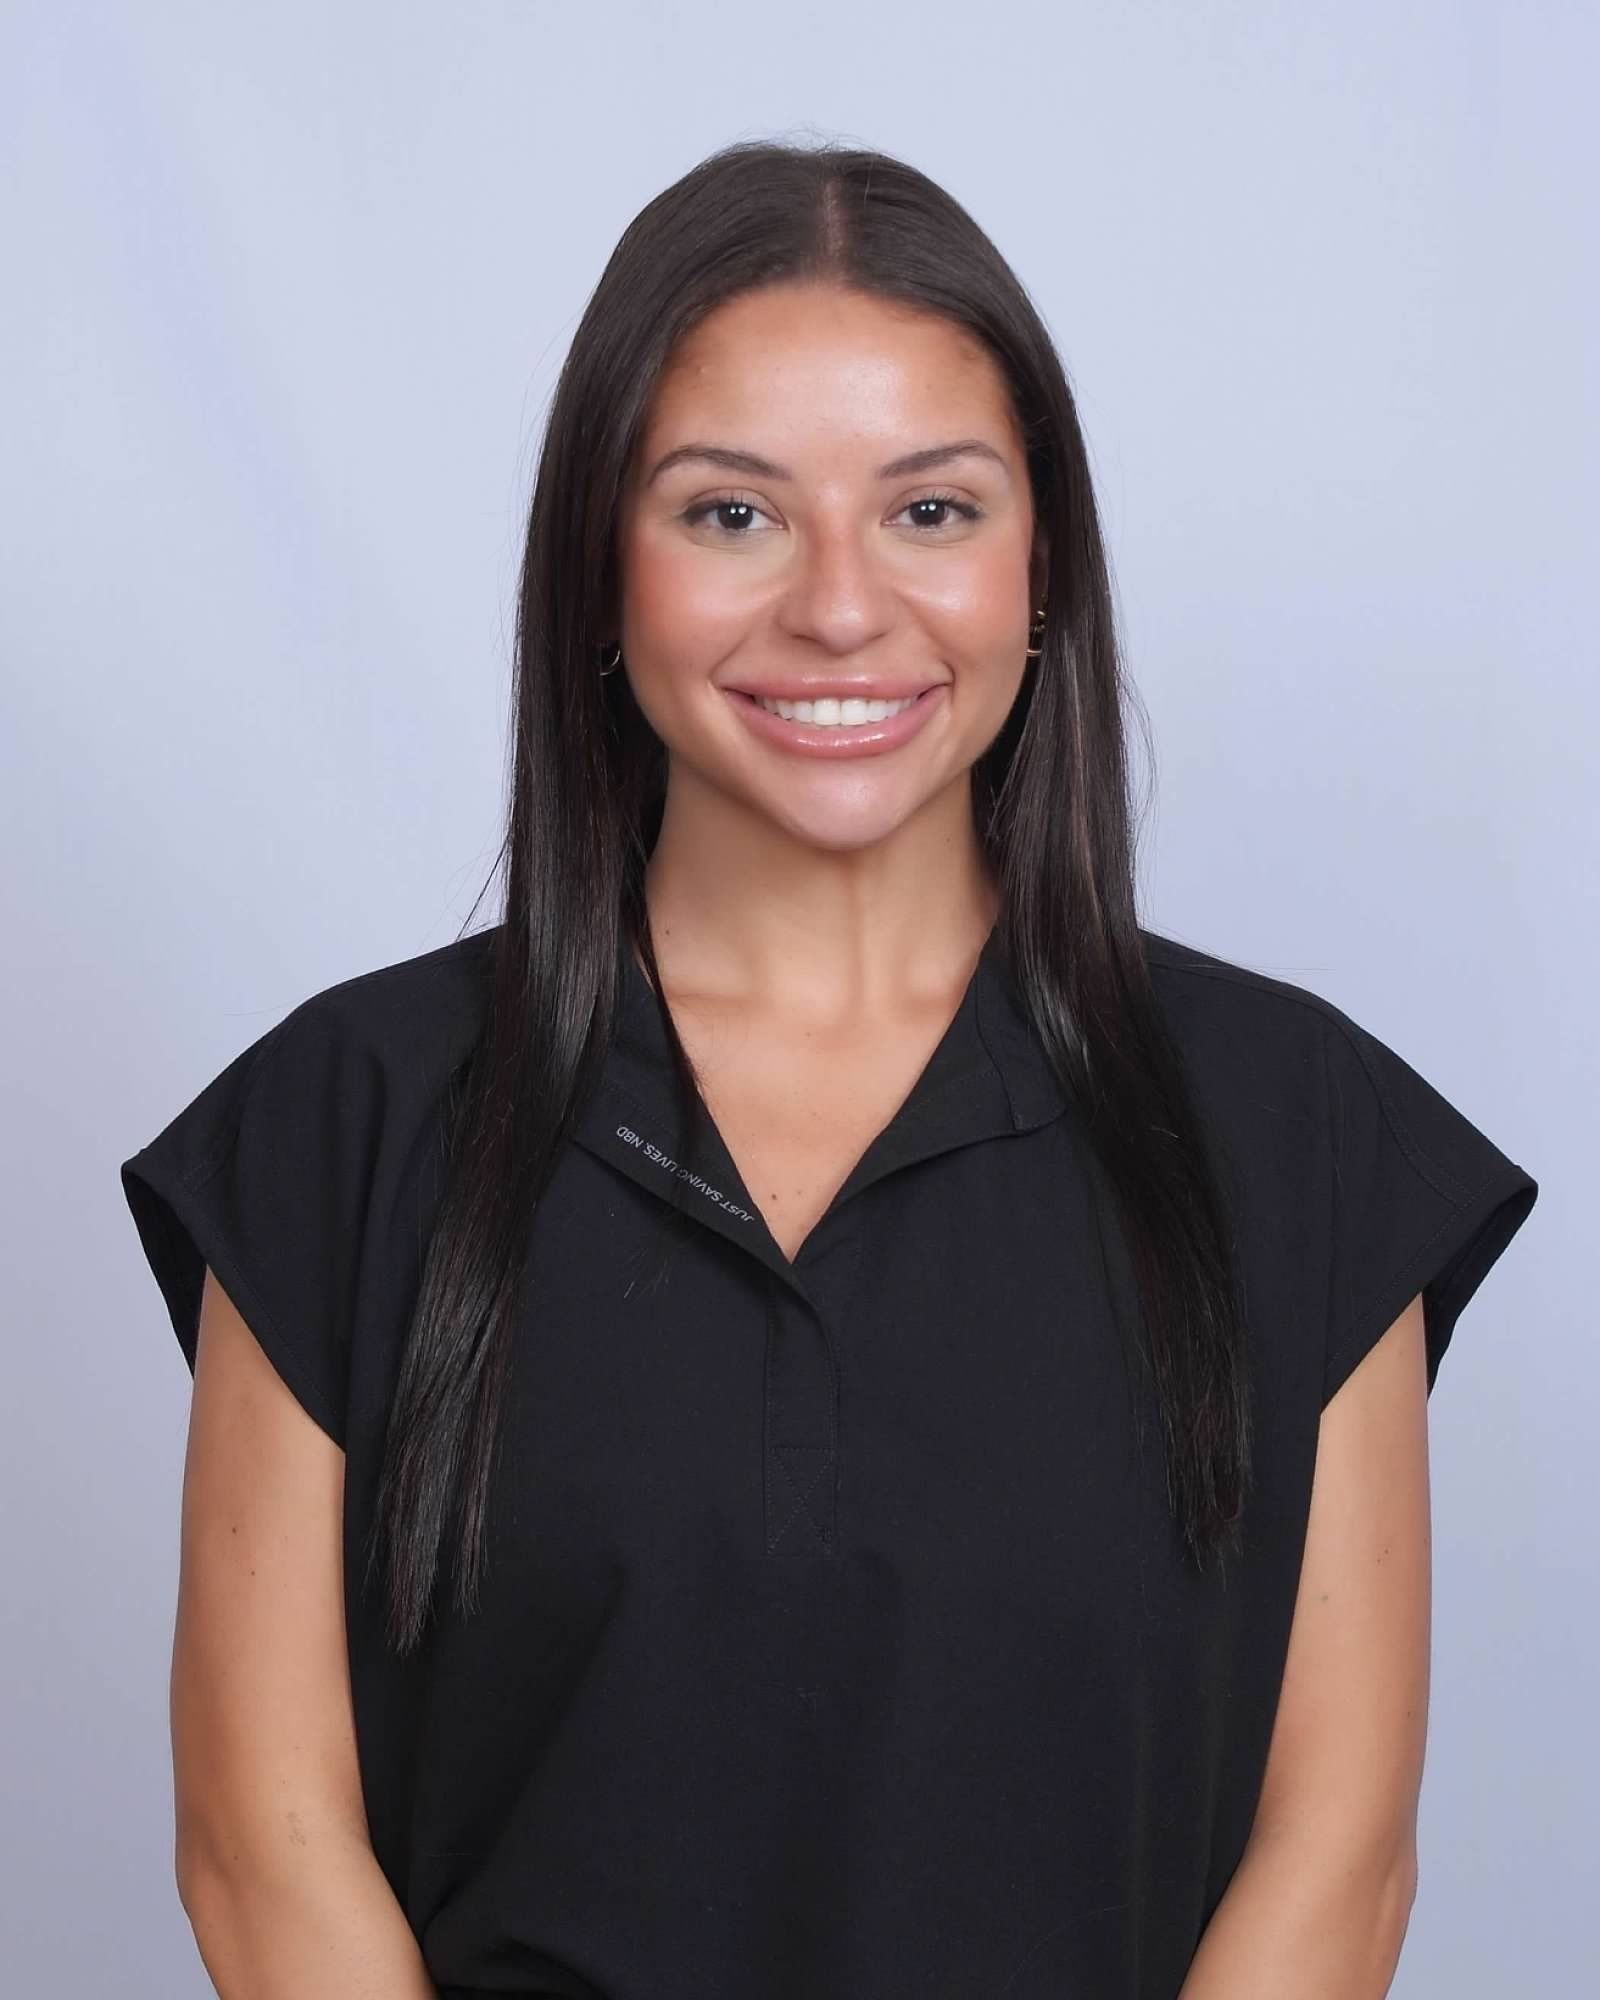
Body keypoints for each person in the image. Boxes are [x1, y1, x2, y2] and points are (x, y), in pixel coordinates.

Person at [120, 139, 1538, 2000]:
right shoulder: (345, 1126)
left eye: (933, 511)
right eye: (733, 515)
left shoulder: (1301, 1136)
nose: (843, 608)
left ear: (1044, 564)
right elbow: (262, 1853)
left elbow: (1330, 1872)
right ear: (599, 572)